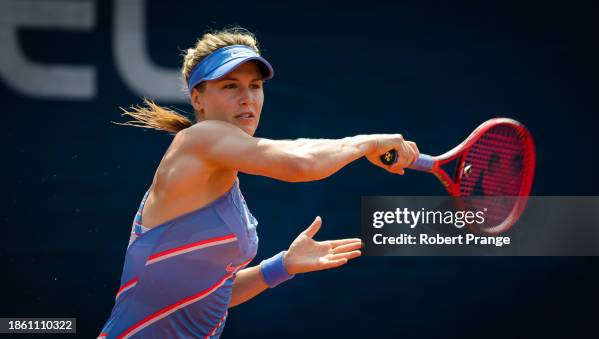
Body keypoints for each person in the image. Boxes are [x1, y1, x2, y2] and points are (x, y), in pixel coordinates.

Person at [99, 27, 419, 338]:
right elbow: (298, 162)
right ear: (197, 98)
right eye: (230, 86)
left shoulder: (221, 175)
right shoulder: (198, 139)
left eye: (255, 85)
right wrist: (368, 143)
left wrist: (281, 266)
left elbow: (212, 294)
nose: (247, 98)